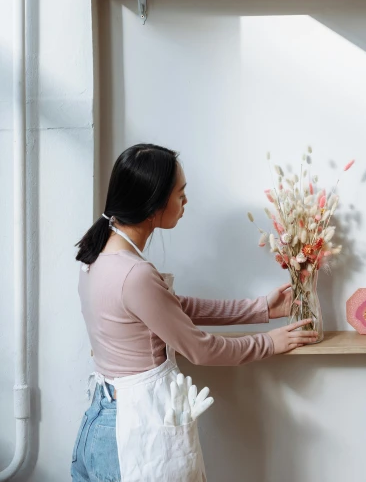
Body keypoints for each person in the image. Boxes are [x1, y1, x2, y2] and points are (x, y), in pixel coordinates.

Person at [71, 144, 317, 482]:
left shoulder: (98, 257)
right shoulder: (134, 274)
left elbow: (171, 308)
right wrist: (269, 343)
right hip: (134, 429)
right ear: (153, 203)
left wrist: (260, 309)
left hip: (100, 422)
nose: (185, 201)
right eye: (180, 193)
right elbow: (201, 349)